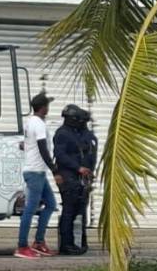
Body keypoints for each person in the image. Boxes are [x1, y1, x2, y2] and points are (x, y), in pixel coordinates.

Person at [15, 92, 60, 259]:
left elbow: (27, 145)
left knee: (50, 204)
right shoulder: (39, 124)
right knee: (30, 209)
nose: (48, 108)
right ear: (43, 108)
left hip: (37, 172)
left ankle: (39, 242)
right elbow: (42, 148)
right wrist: (55, 170)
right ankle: (22, 246)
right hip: (35, 172)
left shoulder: (30, 123)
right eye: (47, 105)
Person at [54, 104, 97, 255]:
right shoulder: (63, 134)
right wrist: (78, 168)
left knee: (81, 210)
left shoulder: (83, 134)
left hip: (83, 177)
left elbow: (90, 149)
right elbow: (60, 155)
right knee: (69, 209)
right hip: (69, 176)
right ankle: (67, 243)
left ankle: (80, 241)